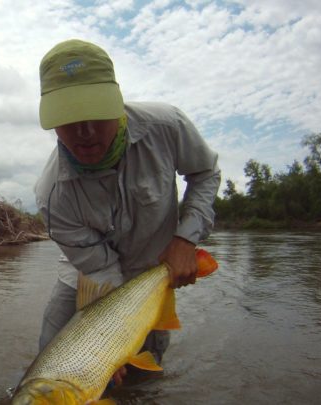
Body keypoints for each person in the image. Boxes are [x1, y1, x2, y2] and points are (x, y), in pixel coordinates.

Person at [34, 39, 220, 385]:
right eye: (69, 119)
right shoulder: (52, 197)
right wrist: (106, 344)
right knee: (48, 374)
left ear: (117, 102)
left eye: (95, 114)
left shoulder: (168, 127)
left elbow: (206, 173)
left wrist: (184, 239)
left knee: (145, 378)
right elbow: (101, 268)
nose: (84, 132)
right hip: (85, 276)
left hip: (156, 269)